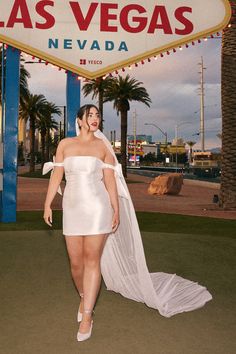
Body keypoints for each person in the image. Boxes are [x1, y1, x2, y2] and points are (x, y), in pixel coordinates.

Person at [43, 104, 212, 342]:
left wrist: (116, 208)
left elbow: (110, 180)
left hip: (97, 209)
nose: (95, 118)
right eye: (89, 115)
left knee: (92, 260)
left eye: (97, 115)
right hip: (72, 208)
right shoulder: (65, 145)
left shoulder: (102, 147)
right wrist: (47, 204)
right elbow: (56, 176)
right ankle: (84, 295)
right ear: (79, 120)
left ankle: (88, 314)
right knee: (76, 263)